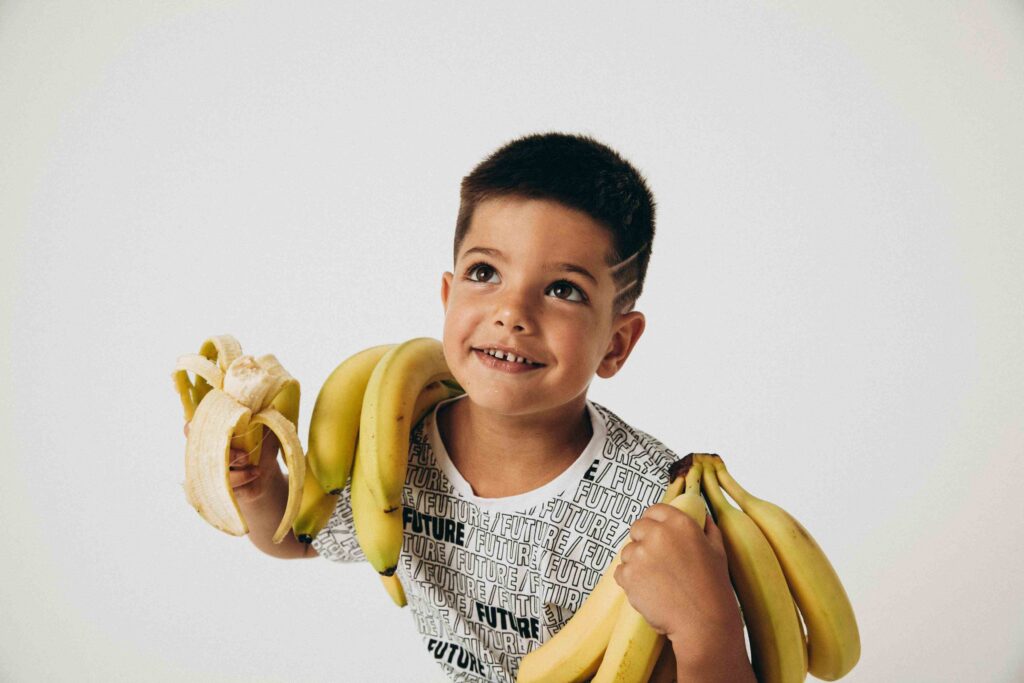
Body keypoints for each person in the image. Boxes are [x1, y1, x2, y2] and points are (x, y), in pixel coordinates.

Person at [185, 132, 755, 682]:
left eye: (564, 289)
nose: (512, 311)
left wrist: (708, 629)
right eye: (485, 273)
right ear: (447, 295)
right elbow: (301, 538)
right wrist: (258, 486)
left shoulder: (656, 508)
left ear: (616, 343)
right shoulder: (395, 447)